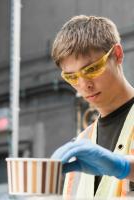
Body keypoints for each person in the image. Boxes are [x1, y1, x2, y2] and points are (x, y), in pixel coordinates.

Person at [51, 15, 134, 199]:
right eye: (72, 77)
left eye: (91, 69)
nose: (84, 85)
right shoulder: (82, 142)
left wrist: (125, 168)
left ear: (117, 55)